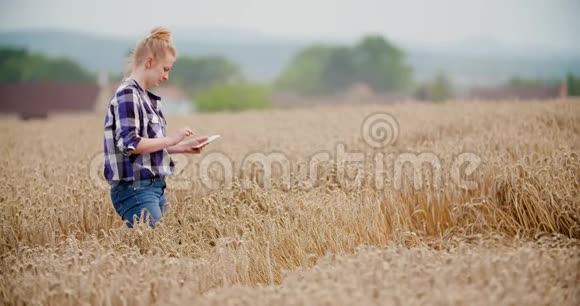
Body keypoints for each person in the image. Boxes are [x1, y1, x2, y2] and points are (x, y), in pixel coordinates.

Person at [103, 26, 207, 228]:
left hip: (153, 187)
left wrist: (182, 147)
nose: (167, 76)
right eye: (165, 69)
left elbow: (147, 147)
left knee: (163, 244)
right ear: (149, 62)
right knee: (153, 248)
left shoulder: (145, 98)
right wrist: (171, 139)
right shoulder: (127, 95)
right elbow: (131, 144)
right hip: (134, 188)